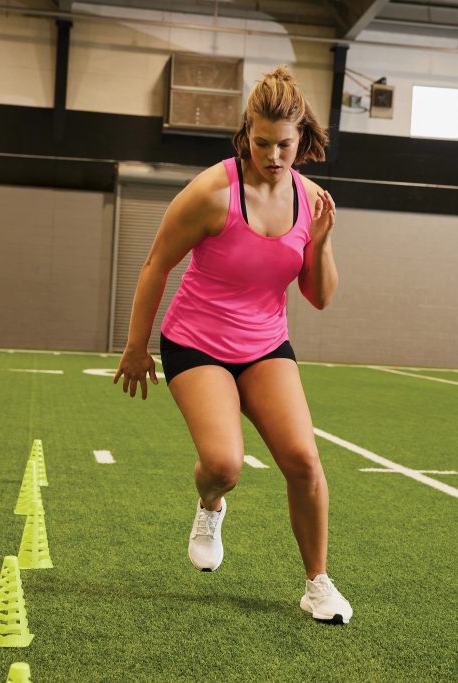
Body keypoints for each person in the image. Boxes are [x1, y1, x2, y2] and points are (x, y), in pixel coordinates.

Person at [113, 66, 352, 625]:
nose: (272, 156)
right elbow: (155, 265)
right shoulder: (211, 192)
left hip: (265, 345)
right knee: (223, 464)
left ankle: (317, 583)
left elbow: (319, 297)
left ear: (301, 138)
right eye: (261, 142)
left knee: (304, 461)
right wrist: (135, 345)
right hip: (196, 342)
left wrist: (320, 244)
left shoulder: (312, 200)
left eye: (284, 144)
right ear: (247, 133)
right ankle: (210, 503)